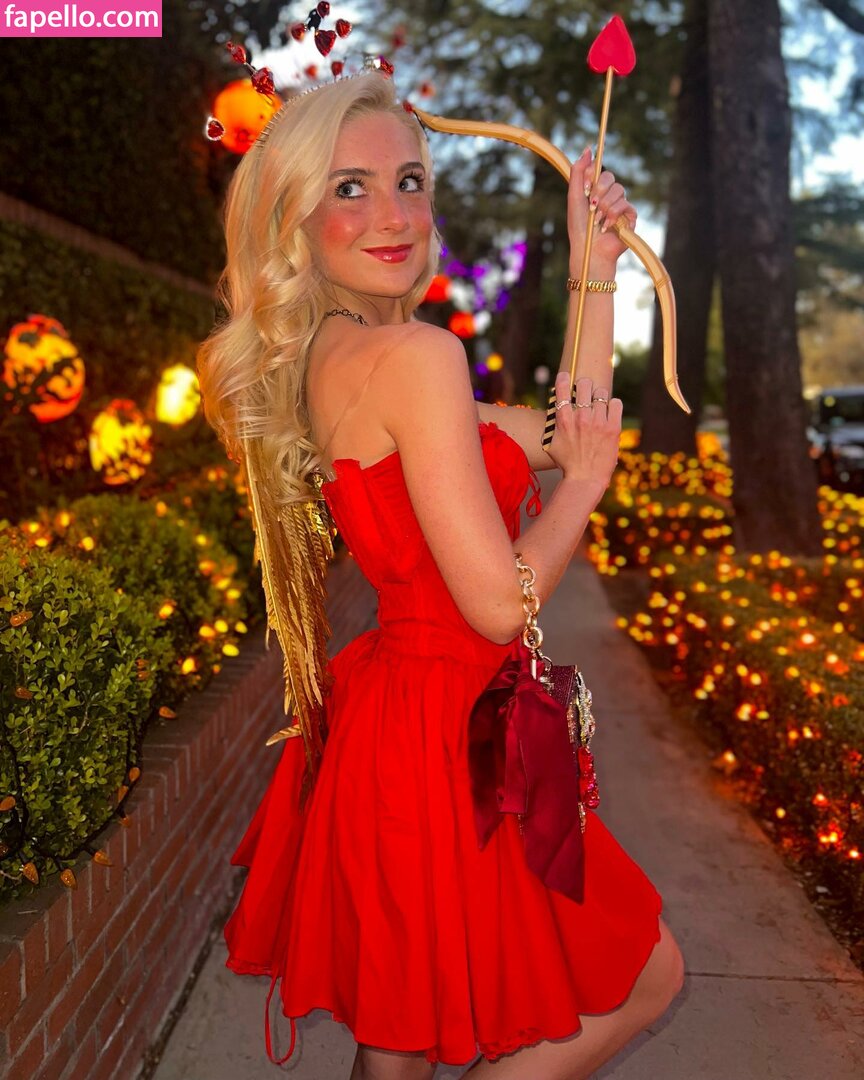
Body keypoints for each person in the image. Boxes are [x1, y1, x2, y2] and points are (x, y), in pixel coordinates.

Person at [197, 68, 685, 1080]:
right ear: (296, 217)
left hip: (406, 723)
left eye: (410, 181)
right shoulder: (414, 359)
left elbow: (562, 429)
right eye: (351, 188)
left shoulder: (344, 356)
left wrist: (594, 270)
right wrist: (585, 490)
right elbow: (502, 604)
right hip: (450, 739)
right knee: (644, 974)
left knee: (405, 1036)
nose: (394, 214)